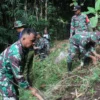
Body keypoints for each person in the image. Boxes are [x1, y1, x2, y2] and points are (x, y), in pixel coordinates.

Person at [0, 28, 44, 100]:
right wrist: (31, 89)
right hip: (3, 75)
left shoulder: (25, 48)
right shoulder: (15, 53)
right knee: (10, 96)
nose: (34, 43)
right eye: (32, 41)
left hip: (10, 73)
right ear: (23, 38)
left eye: (35, 41)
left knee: (15, 94)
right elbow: (19, 76)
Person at [13, 20, 34, 86]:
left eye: (16, 29)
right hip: (32, 51)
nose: (16, 30)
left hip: (26, 52)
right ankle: (30, 83)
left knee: (24, 68)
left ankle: (25, 85)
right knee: (29, 67)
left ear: (18, 27)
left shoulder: (22, 34)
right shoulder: (28, 31)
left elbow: (22, 45)